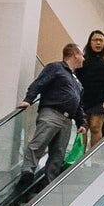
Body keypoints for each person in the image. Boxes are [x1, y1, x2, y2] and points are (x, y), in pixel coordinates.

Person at [18, 45, 86, 184]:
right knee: (39, 143)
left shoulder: (77, 81)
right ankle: (27, 172)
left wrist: (81, 122)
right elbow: (39, 83)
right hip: (52, 112)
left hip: (67, 120)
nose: (84, 58)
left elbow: (78, 105)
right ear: (75, 54)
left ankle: (49, 182)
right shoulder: (55, 68)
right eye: (82, 55)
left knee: (58, 154)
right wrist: (28, 100)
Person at [78, 30, 104, 145]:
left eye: (101, 40)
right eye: (95, 40)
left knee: (96, 127)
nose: (98, 43)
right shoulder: (83, 59)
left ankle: (94, 159)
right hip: (82, 100)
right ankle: (81, 159)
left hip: (101, 101)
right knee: (82, 129)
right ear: (90, 42)